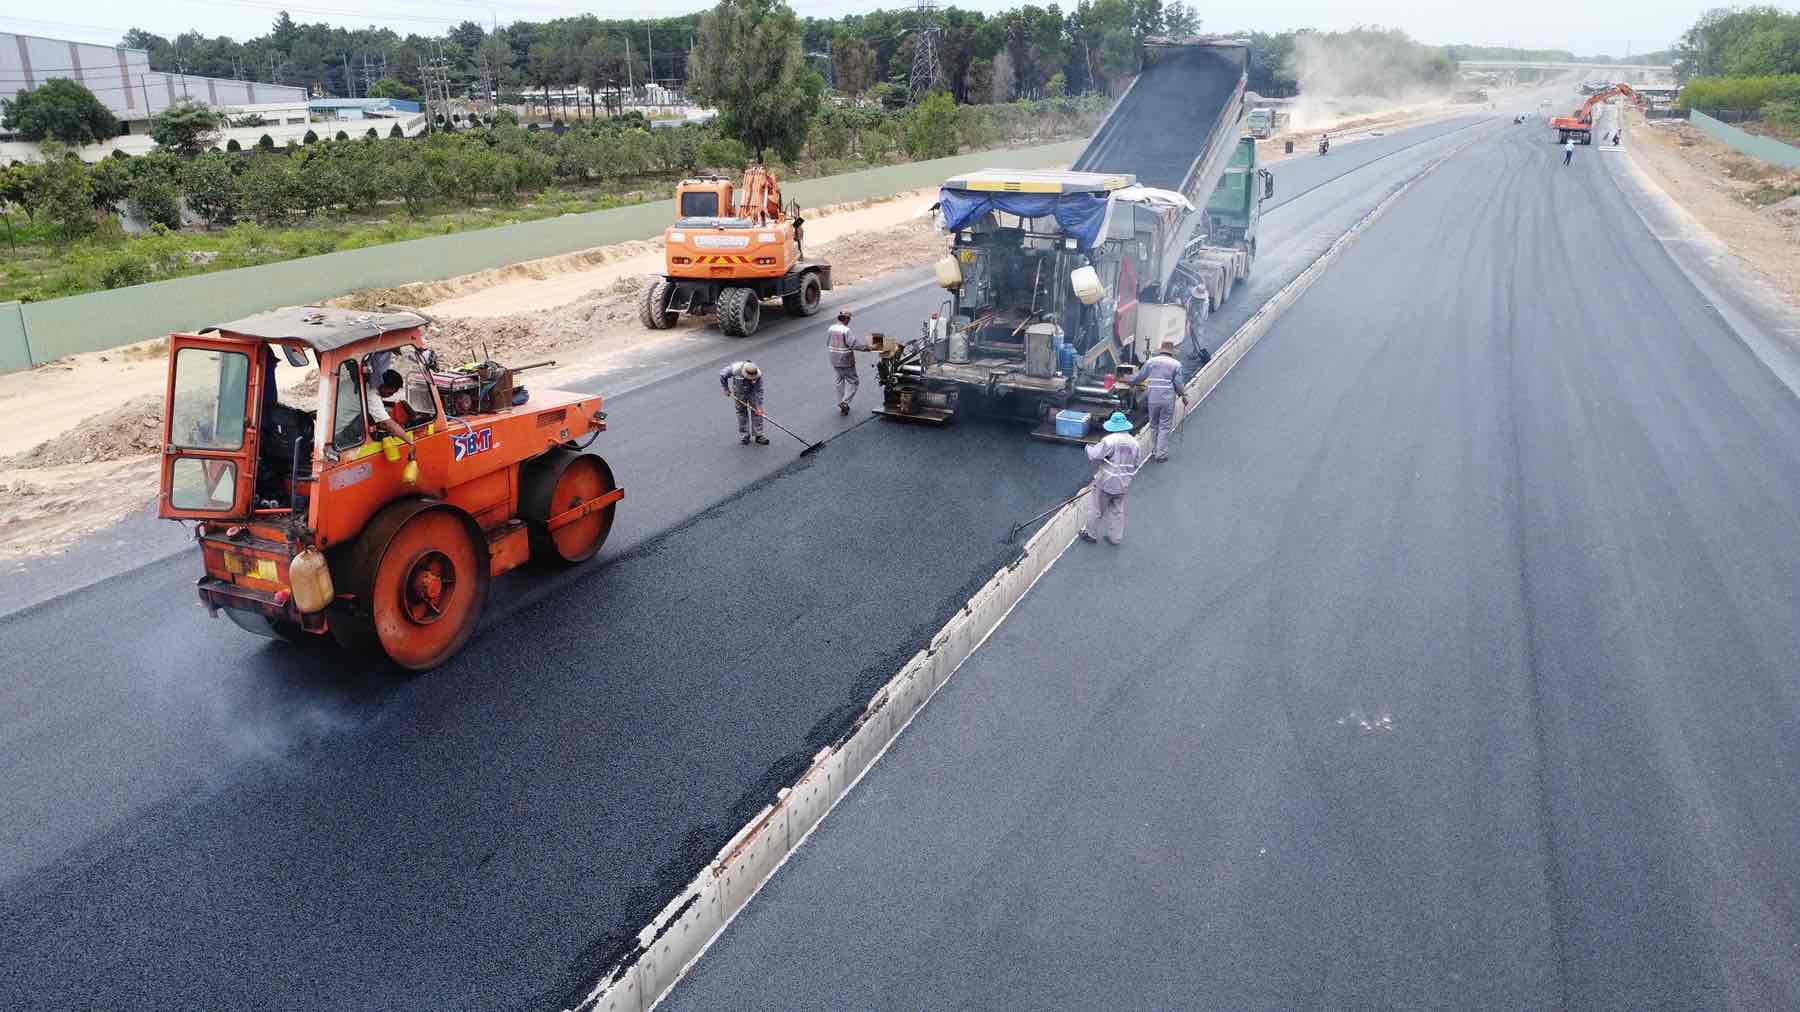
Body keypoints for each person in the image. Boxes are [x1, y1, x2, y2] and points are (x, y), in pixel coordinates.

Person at [1079, 412, 1141, 546]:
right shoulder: (1135, 443)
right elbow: (1136, 464)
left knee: (1096, 508)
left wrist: (1087, 448)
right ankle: (1115, 537)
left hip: (1106, 482)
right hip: (1123, 483)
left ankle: (1090, 534)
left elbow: (1095, 455)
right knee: (1117, 510)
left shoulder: (1109, 441)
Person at [1135, 340, 1188, 462]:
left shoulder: (1151, 362)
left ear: (1161, 351)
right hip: (1167, 399)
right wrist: (1184, 395)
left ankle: (1154, 451)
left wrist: (1129, 380)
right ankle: (1161, 454)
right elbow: (1178, 384)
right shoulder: (1176, 364)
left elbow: (1140, 377)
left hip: (1153, 397)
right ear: (1172, 353)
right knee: (1164, 426)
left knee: (1154, 425)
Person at [825, 310, 868, 414]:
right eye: (849, 319)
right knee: (854, 382)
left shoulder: (831, 328)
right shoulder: (846, 330)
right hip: (845, 361)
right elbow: (854, 344)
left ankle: (841, 402)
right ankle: (845, 402)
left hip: (834, 360)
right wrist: (866, 348)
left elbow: (828, 343)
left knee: (839, 382)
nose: (849, 322)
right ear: (846, 319)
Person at [719, 360, 768, 445]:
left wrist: (759, 406)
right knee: (741, 412)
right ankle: (745, 435)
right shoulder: (735, 369)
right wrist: (726, 388)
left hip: (753, 392)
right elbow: (722, 375)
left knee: (757, 412)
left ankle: (759, 435)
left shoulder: (758, 374)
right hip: (739, 391)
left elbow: (759, 390)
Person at [363, 366, 409, 442]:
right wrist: (410, 442)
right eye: (390, 393)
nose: (391, 395)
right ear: (383, 386)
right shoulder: (372, 396)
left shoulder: (366, 383)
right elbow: (390, 425)